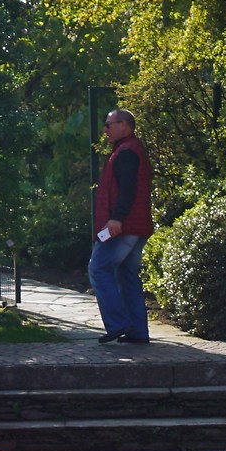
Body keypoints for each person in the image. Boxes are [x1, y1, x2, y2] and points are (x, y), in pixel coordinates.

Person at [89, 108, 153, 343]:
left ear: (124, 125)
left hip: (123, 226)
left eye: (109, 124)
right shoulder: (130, 149)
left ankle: (118, 323)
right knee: (127, 275)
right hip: (136, 225)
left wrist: (116, 218)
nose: (105, 129)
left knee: (98, 268)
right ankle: (137, 331)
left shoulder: (126, 152)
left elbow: (127, 189)